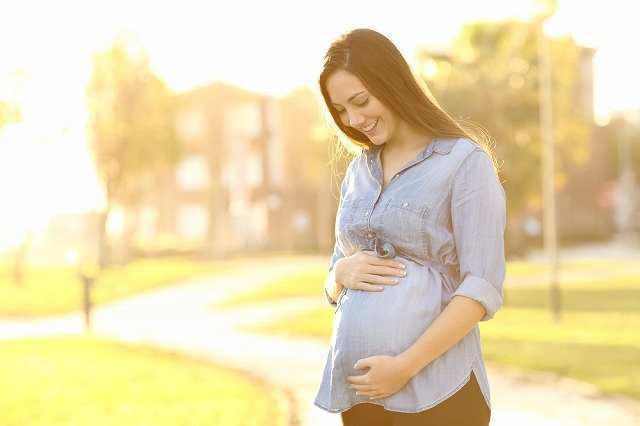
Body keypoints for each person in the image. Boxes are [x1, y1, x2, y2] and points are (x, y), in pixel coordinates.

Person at [313, 28, 506, 426]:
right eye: (341, 110)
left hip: (439, 391)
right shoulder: (359, 171)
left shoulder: (463, 162)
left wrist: (404, 366)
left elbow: (480, 287)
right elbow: (336, 276)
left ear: (393, 83)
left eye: (361, 101)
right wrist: (338, 274)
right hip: (362, 392)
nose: (353, 119)